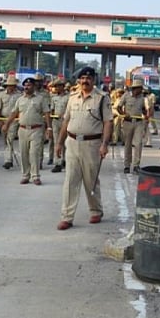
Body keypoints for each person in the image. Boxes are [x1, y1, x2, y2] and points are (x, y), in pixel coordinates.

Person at [54, 66, 112, 231]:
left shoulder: (102, 98)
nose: (85, 81)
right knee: (70, 180)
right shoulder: (72, 98)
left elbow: (108, 122)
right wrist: (59, 142)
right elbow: (66, 121)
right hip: (72, 143)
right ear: (78, 80)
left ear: (93, 80)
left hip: (92, 144)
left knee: (90, 180)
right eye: (82, 78)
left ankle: (95, 210)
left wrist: (105, 144)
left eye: (88, 78)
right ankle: (67, 217)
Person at [3, 75, 50, 185]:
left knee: (34, 153)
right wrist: (6, 125)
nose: (26, 87)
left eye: (29, 85)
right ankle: (25, 175)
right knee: (23, 153)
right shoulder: (20, 99)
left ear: (34, 86)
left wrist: (49, 127)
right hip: (23, 129)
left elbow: (47, 113)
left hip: (36, 129)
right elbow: (14, 113)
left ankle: (35, 176)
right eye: (25, 85)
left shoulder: (40, 99)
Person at [117, 79, 149, 174]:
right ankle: (127, 165)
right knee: (128, 144)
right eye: (140, 88)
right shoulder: (126, 95)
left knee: (138, 144)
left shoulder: (142, 97)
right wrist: (124, 113)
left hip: (139, 122)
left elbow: (143, 108)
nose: (141, 90)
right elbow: (118, 107)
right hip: (128, 122)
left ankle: (136, 165)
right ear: (136, 88)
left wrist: (146, 114)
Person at [0, 76, 21, 169]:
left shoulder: (19, 95)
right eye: (9, 85)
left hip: (13, 120)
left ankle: (8, 160)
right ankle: (8, 157)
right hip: (3, 118)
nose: (10, 87)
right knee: (5, 140)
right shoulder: (2, 94)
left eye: (12, 85)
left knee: (10, 139)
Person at [49, 78, 69, 172]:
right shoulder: (53, 98)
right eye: (55, 86)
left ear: (62, 87)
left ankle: (65, 160)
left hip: (66, 121)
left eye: (58, 86)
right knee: (57, 141)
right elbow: (52, 110)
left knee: (66, 142)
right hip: (56, 121)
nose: (56, 88)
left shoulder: (68, 97)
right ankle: (57, 162)